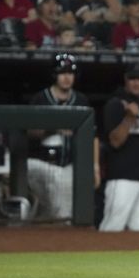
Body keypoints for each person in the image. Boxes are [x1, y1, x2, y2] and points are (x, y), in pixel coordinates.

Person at [27, 54, 95, 220]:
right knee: (57, 206)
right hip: (41, 164)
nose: (66, 77)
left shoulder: (81, 100)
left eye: (70, 73)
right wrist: (54, 127)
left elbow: (94, 136)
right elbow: (29, 132)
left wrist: (95, 166)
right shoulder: (40, 99)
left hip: (70, 164)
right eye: (62, 73)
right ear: (54, 75)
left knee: (62, 210)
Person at [99, 63, 139, 232]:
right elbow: (115, 141)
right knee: (111, 229)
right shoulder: (116, 104)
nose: (136, 82)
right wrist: (129, 117)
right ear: (126, 79)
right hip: (122, 178)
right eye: (132, 78)